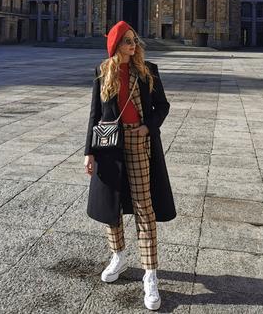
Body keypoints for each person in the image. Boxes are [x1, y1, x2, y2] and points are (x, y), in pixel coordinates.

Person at [84, 21, 176, 311]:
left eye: (134, 40)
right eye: (126, 41)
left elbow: (162, 106)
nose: (132, 45)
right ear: (114, 45)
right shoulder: (103, 72)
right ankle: (118, 256)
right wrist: (89, 152)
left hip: (139, 142)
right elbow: (95, 114)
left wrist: (148, 128)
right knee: (112, 206)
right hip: (109, 146)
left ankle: (150, 275)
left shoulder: (148, 71)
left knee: (143, 207)